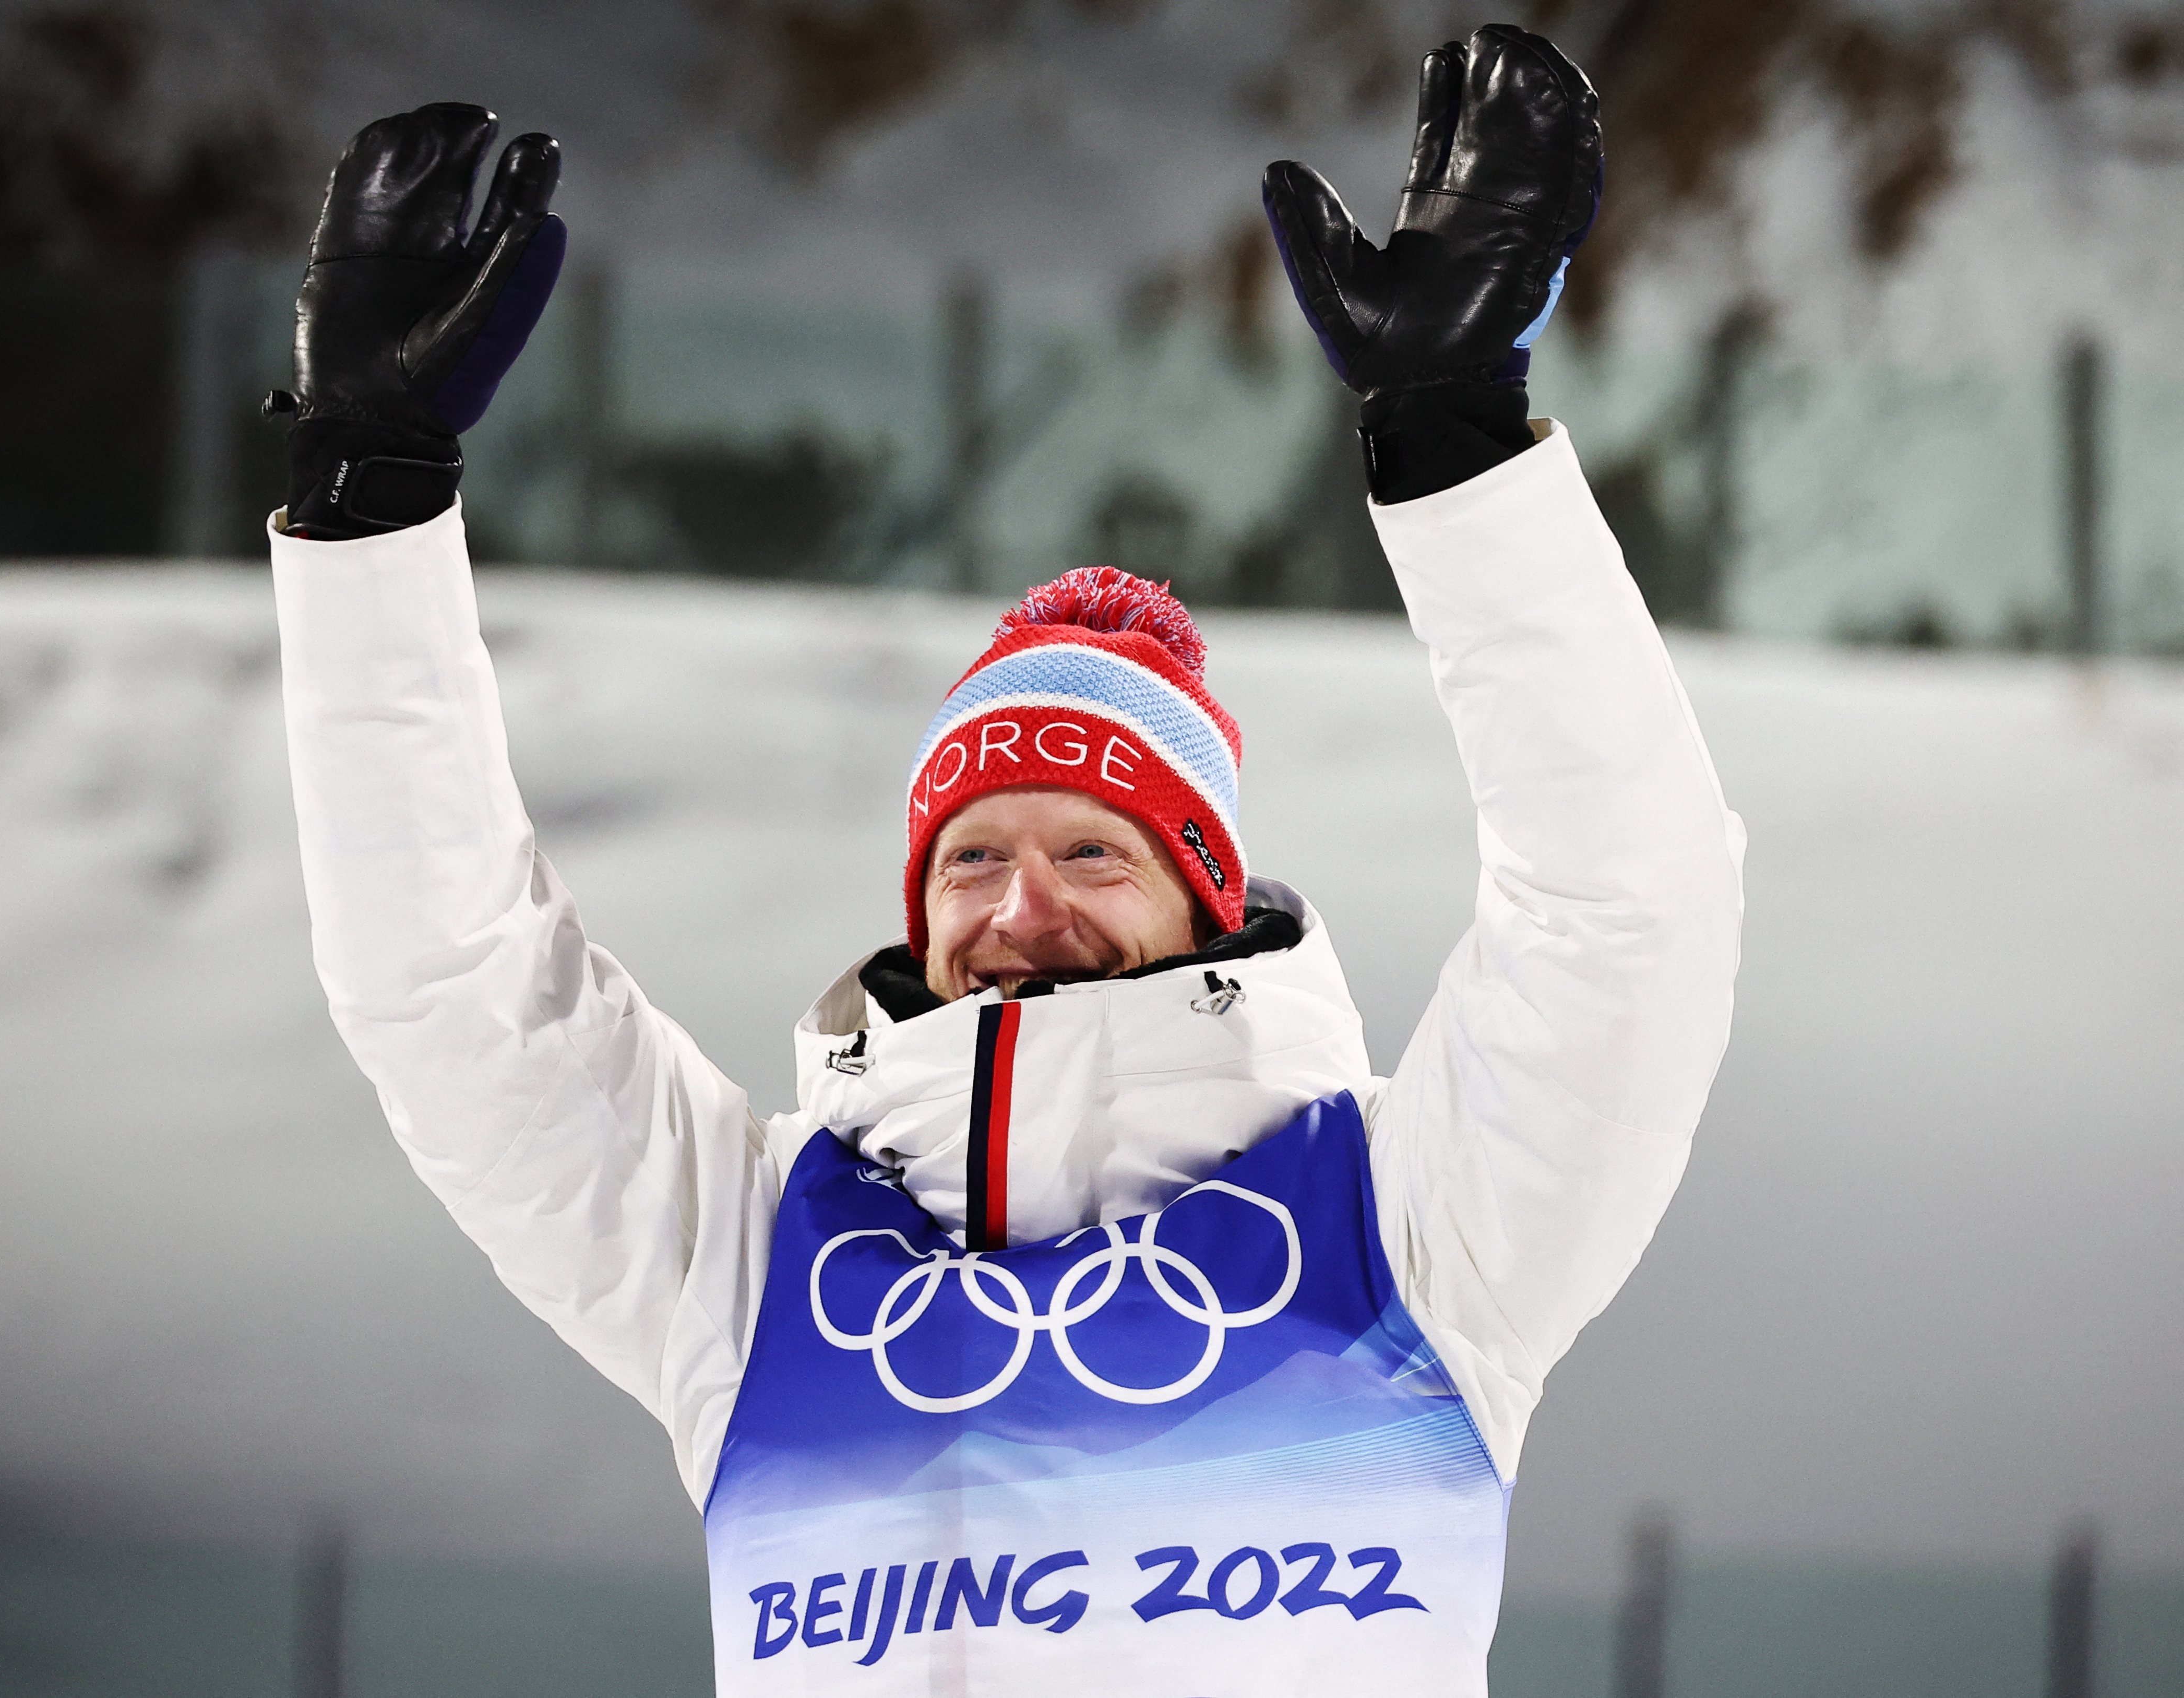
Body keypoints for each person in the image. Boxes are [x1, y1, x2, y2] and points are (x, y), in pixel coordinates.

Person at [268, 24, 1743, 1696]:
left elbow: (1629, 912)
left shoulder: (1412, 1240)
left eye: (1093, 850)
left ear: (1209, 893)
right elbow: (455, 992)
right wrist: (366, 501)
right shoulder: (758, 1280)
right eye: (969, 858)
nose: (1018, 907)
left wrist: (1462, 448)